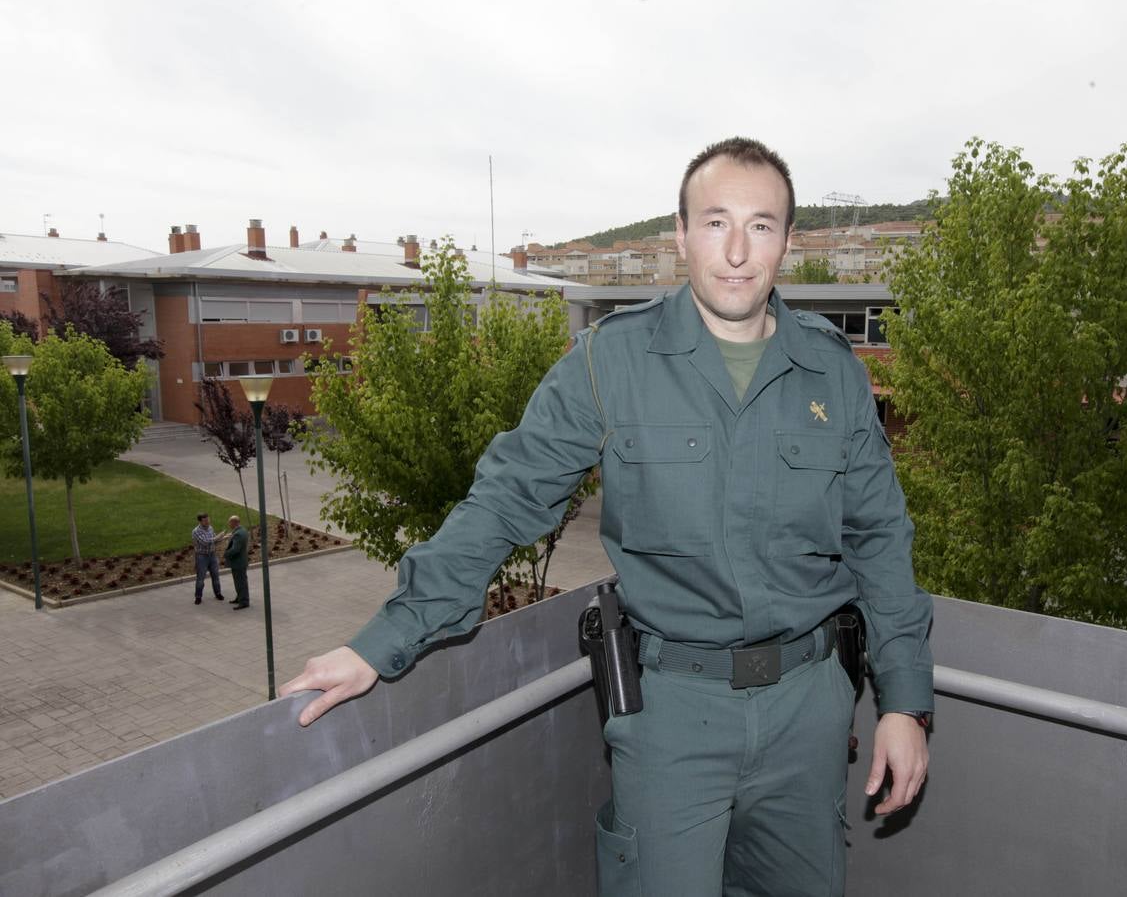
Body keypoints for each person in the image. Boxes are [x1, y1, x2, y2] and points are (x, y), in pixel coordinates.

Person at [280, 137, 933, 897]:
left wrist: (905, 702)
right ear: (680, 236)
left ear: (786, 242)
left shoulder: (832, 370)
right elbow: (505, 498)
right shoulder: (608, 360)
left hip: (810, 713)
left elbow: (880, 539)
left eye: (760, 226)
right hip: (672, 714)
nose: (734, 250)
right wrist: (383, 640)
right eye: (714, 221)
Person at [191, 512, 225, 605]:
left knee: (216, 576)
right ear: (200, 521)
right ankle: (198, 597)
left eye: (208, 520)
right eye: (205, 520)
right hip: (202, 556)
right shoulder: (196, 531)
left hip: (212, 555)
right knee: (201, 578)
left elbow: (214, 541)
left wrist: (223, 537)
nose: (207, 522)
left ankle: (218, 593)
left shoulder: (210, 528)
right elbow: (205, 542)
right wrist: (217, 537)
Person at [223, 514, 251, 610]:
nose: (229, 524)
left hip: (238, 563)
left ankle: (243, 602)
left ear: (234, 522)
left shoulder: (238, 534)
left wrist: (226, 554)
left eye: (229, 522)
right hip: (241, 561)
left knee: (240, 582)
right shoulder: (243, 530)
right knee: (240, 581)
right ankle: (239, 598)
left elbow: (235, 549)